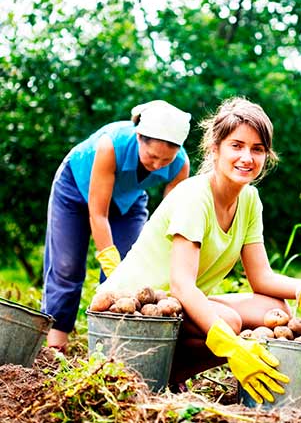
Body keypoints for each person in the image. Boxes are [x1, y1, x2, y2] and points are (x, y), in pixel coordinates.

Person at [98, 97, 301, 403]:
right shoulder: (195, 196)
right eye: (236, 145)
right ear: (215, 148)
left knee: (272, 310)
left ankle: (172, 374)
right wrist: (230, 345)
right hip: (129, 314)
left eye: (257, 148)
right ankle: (157, 379)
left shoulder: (249, 200)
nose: (246, 157)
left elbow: (261, 278)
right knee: (229, 323)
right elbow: (182, 285)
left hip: (173, 308)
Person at [42, 100, 192, 351]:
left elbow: (170, 219)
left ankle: (112, 343)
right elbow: (98, 213)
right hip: (75, 191)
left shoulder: (180, 164)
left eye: (165, 160)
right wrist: (110, 263)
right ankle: (56, 340)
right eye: (152, 156)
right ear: (138, 137)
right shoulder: (110, 145)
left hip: (127, 201)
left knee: (129, 268)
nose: (157, 165)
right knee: (67, 265)